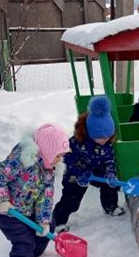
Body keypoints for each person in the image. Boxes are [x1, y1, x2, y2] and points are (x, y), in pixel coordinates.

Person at [0, 123, 70, 257]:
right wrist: (2, 200)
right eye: (58, 155)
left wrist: (44, 221)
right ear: (47, 151)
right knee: (24, 243)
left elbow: (45, 196)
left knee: (49, 227)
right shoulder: (20, 161)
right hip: (11, 214)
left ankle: (34, 254)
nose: (60, 159)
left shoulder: (48, 168)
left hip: (31, 210)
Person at [53, 95, 125, 232]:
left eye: (108, 136)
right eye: (100, 137)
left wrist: (110, 173)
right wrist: (79, 174)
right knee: (72, 200)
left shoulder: (107, 143)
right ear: (91, 133)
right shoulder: (75, 143)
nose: (105, 140)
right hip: (75, 175)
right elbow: (66, 162)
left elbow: (109, 159)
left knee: (109, 184)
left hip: (95, 171)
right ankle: (58, 221)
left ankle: (110, 206)